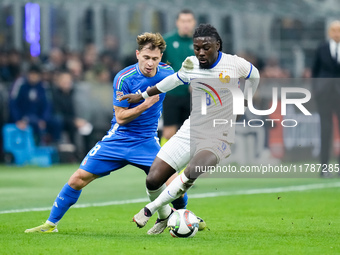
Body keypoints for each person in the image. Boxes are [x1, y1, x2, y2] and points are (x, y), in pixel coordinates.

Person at [25, 32, 188, 233]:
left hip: (146, 141)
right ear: (138, 54)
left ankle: (185, 220)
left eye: (154, 58)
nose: (150, 63)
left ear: (160, 58)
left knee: (175, 182)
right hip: (119, 139)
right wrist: (145, 105)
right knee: (77, 179)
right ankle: (51, 224)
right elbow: (120, 117)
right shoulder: (124, 78)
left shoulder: (167, 73)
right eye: (146, 57)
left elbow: (184, 81)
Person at [120, 24, 260, 233]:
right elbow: (172, 81)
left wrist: (246, 99)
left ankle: (150, 209)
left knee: (192, 171)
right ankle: (164, 216)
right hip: (191, 130)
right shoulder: (191, 64)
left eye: (206, 47)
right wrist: (142, 95)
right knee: (153, 179)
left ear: (217, 46)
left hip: (218, 135)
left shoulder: (234, 64)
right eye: (197, 48)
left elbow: (254, 74)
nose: (201, 52)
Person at [160, 9, 196, 146]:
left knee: (190, 133)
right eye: (183, 21)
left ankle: (184, 166)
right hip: (172, 93)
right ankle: (162, 162)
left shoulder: (199, 43)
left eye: (189, 21)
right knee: (169, 132)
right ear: (177, 23)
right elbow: (159, 65)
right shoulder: (167, 41)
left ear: (194, 23)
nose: (186, 24)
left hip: (192, 96)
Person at [312, 20, 340, 177]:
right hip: (325, 96)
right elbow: (315, 71)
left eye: (339, 30)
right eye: (334, 30)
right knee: (325, 130)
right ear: (330, 32)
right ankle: (324, 168)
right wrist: (316, 90)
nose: (337, 33)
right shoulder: (322, 48)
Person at [9, 65, 60, 144]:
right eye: (31, 74)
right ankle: (36, 146)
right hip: (24, 116)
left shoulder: (44, 86)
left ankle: (55, 145)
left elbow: (47, 105)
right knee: (33, 122)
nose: (33, 77)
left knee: (57, 121)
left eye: (36, 75)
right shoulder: (20, 84)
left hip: (39, 117)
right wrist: (17, 120)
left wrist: (44, 119)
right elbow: (13, 104)